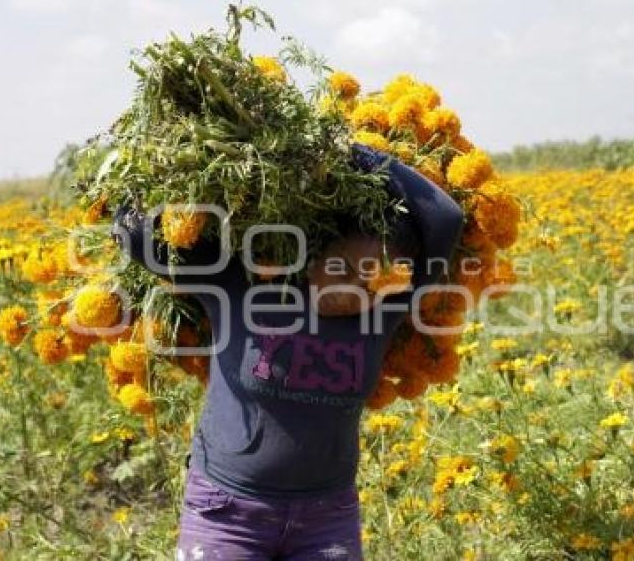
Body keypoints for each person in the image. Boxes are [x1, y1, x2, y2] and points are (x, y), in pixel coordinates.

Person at [113, 143, 464, 560]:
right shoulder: (242, 285)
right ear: (318, 247)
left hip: (326, 520)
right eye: (344, 269)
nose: (351, 291)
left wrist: (361, 156)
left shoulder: (385, 310)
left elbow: (447, 218)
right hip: (227, 512)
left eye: (370, 283)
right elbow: (132, 229)